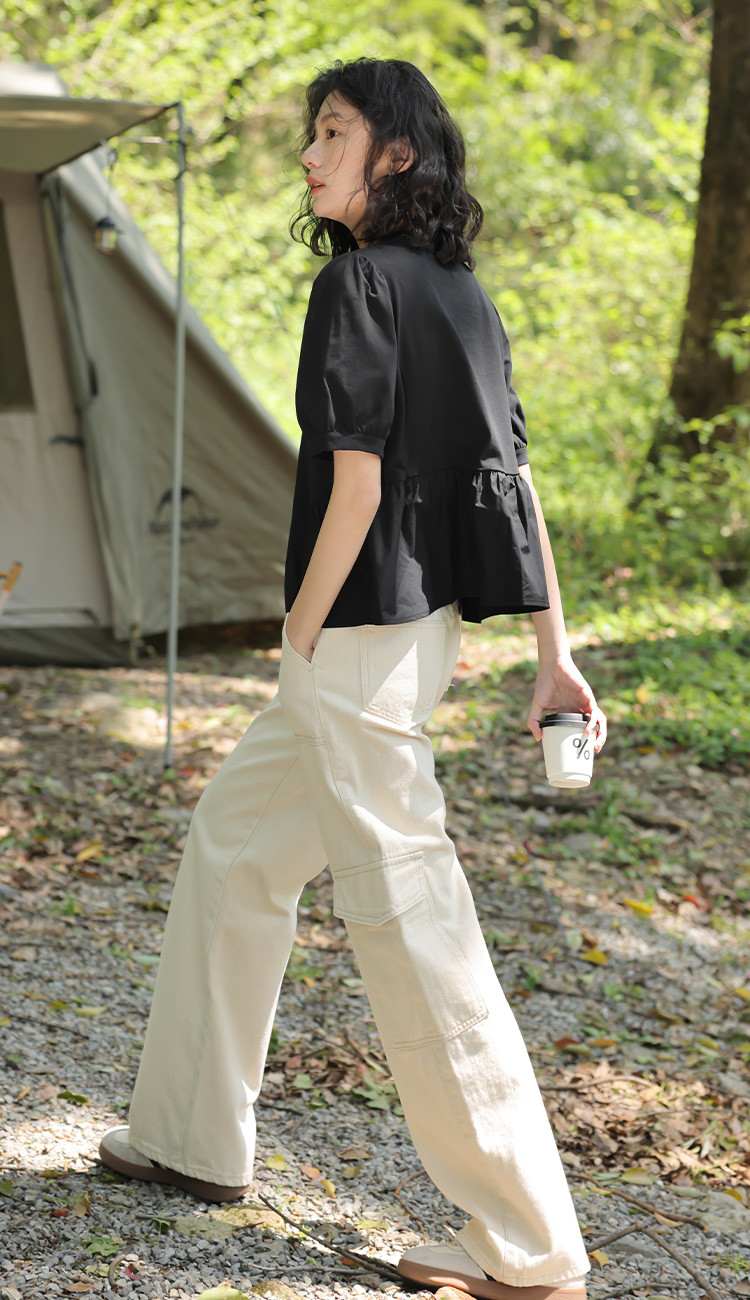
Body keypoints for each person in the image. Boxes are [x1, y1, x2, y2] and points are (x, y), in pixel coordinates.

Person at [99, 56, 606, 1300]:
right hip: (411, 638)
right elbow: (515, 483)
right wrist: (554, 651)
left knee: (411, 915)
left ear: (397, 153)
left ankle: (528, 1247)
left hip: (353, 643)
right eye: (312, 133)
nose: (310, 154)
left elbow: (359, 487)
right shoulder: (464, 295)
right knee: (235, 849)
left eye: (334, 131)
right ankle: (189, 1136)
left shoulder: (359, 283)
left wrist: (298, 630)